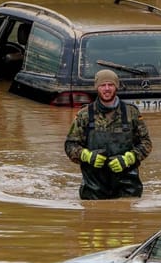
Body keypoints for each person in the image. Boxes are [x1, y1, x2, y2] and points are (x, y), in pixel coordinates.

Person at [64, 69, 153, 200]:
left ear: (116, 86)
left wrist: (130, 158)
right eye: (102, 85)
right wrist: (86, 155)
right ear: (97, 88)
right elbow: (70, 145)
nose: (107, 89)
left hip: (128, 187)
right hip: (93, 188)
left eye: (110, 85)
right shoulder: (84, 115)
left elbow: (146, 143)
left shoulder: (131, 113)